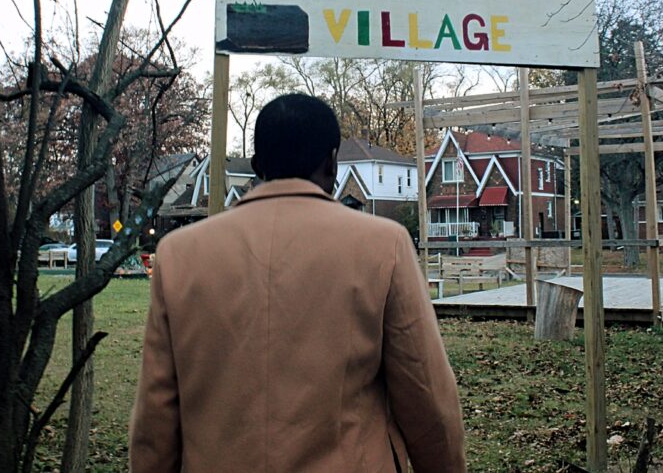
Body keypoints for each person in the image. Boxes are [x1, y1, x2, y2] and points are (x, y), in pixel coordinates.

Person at [129, 93, 466, 472]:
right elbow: (426, 397)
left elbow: (156, 415)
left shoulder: (179, 254)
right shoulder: (384, 246)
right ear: (332, 162)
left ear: (257, 165)